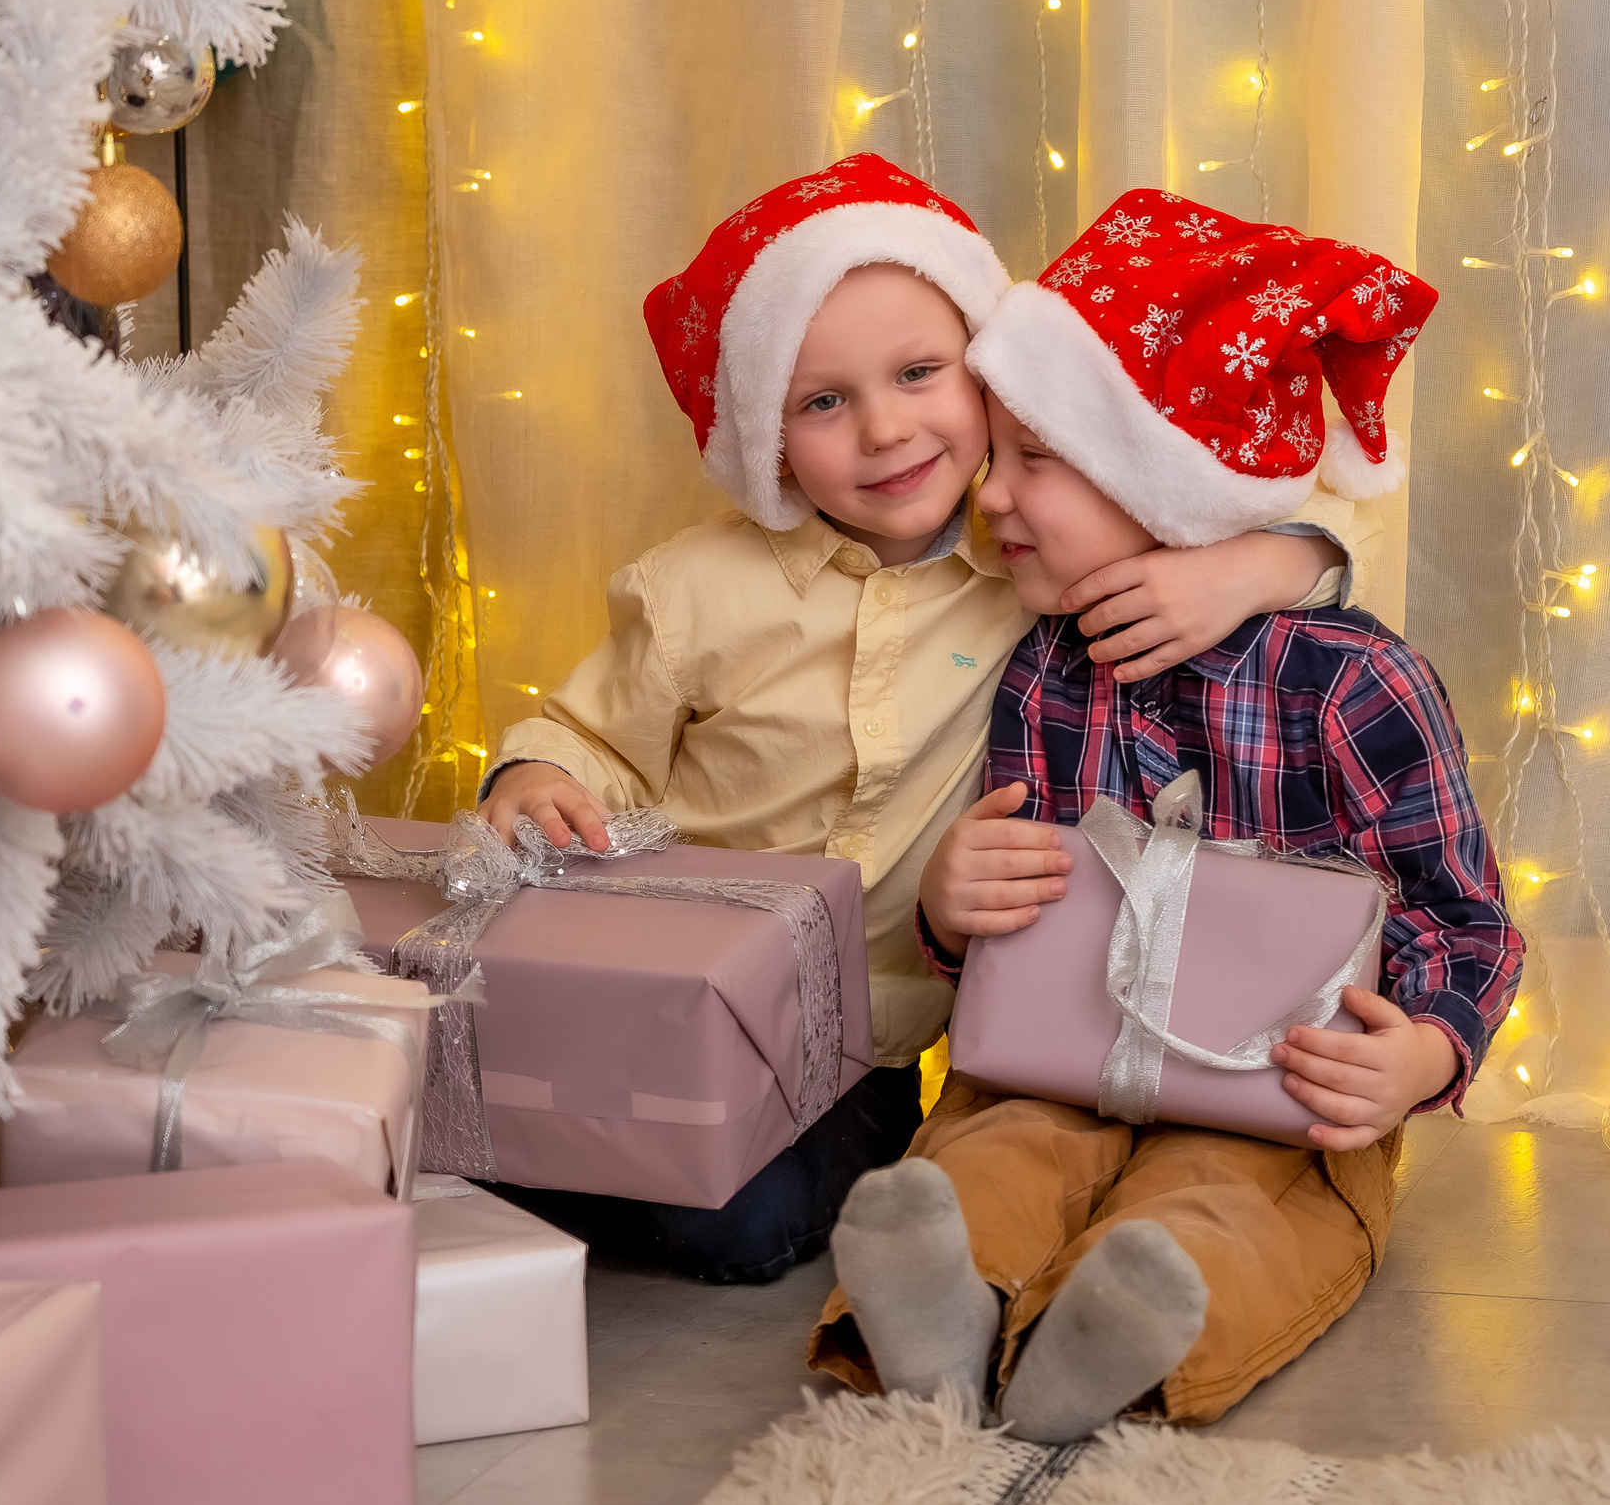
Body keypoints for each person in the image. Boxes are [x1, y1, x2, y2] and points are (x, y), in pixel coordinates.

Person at [477, 159, 1393, 1284]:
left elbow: (1298, 511)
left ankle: (589, 1189)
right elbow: (596, 738)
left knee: (736, 1229)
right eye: (822, 402)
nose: (885, 431)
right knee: (509, 1125)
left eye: (921, 373)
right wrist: (531, 775)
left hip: (860, 1043)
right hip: (679, 994)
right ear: (765, 436)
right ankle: (518, 1171)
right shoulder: (694, 587)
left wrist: (1252, 566)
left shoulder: (1034, 554)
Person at [809, 190, 1522, 1437]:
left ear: (1176, 493)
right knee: (992, 1155)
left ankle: (1122, 1340)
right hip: (1049, 1066)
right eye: (998, 457)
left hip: (1276, 1093)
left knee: (1221, 1206)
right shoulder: (1041, 665)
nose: (990, 499)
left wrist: (1421, 1054)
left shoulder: (1355, 683)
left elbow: (1464, 920)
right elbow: (1011, 907)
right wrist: (947, 907)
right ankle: (937, 1305)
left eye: (1038, 464)